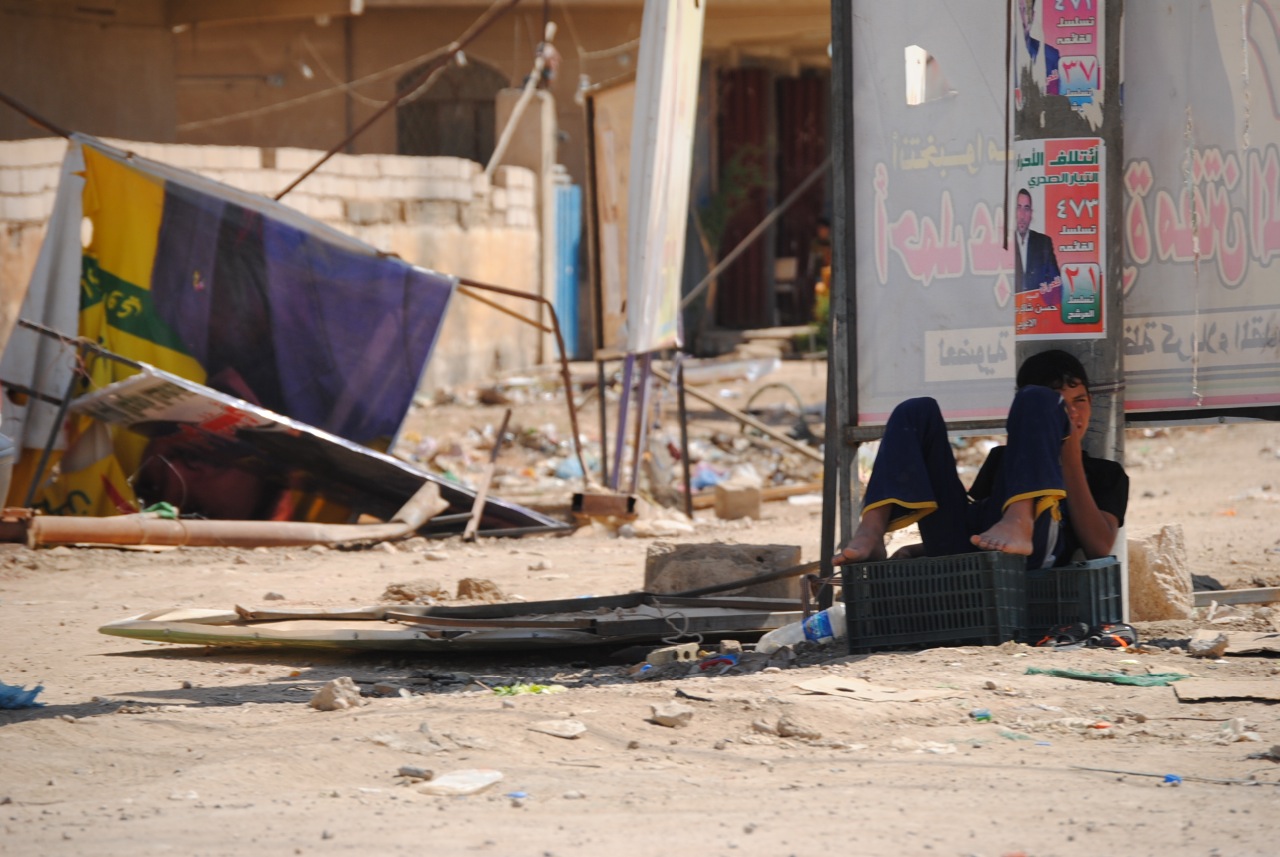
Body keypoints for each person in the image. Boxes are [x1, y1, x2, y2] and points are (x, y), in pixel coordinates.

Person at [832, 349, 1127, 571]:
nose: (1072, 413)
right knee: (915, 411)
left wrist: (1069, 453)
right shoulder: (1003, 457)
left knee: (1036, 396)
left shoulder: (1105, 473)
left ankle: (1020, 520)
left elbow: (1099, 547)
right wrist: (919, 550)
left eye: (1079, 401)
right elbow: (978, 534)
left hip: (1031, 558)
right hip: (974, 557)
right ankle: (872, 532)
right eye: (1060, 404)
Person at [1014, 188, 1062, 305]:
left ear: (1031, 214)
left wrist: (1048, 292)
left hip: (1038, 310)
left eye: (1026, 208)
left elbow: (1057, 287)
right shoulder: (1003, 242)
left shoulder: (1044, 243)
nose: (1022, 215)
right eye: (1018, 208)